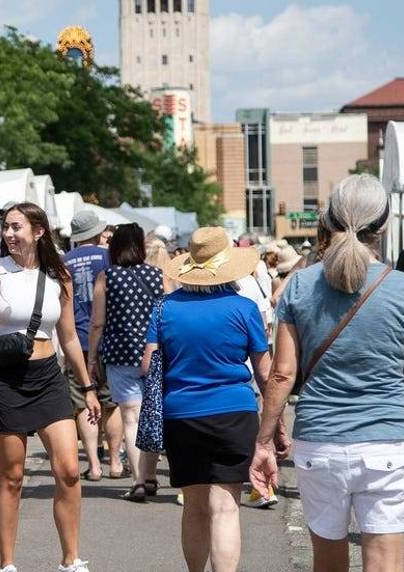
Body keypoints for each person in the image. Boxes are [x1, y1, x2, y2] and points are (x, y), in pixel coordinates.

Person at [251, 174, 404, 572]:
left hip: (319, 442)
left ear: (327, 219)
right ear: (382, 226)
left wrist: (263, 442)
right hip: (387, 442)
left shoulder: (300, 286)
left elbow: (281, 376)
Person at [0, 202, 99, 572]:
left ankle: (70, 558)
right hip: (6, 380)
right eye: (6, 227)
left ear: (39, 231)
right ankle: (7, 564)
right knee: (11, 477)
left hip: (48, 378)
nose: (9, 234)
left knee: (70, 471)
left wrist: (87, 385)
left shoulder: (59, 273)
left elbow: (70, 336)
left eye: (16, 227)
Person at [143, 227, 273, 571]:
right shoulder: (244, 309)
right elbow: (265, 372)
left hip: (181, 415)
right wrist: (276, 428)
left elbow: (147, 364)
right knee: (226, 506)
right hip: (235, 412)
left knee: (195, 507)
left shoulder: (164, 309)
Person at [86, 223, 164, 503]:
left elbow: (97, 323)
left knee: (131, 417)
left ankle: (138, 481)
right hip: (155, 353)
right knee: (151, 415)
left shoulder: (107, 276)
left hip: (120, 354)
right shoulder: (158, 275)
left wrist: (92, 358)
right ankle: (151, 475)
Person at [63, 209, 121, 481]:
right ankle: (116, 463)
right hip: (108, 339)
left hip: (75, 339)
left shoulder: (64, 262)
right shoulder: (108, 257)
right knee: (111, 403)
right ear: (98, 233)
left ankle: (95, 464)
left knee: (84, 401)